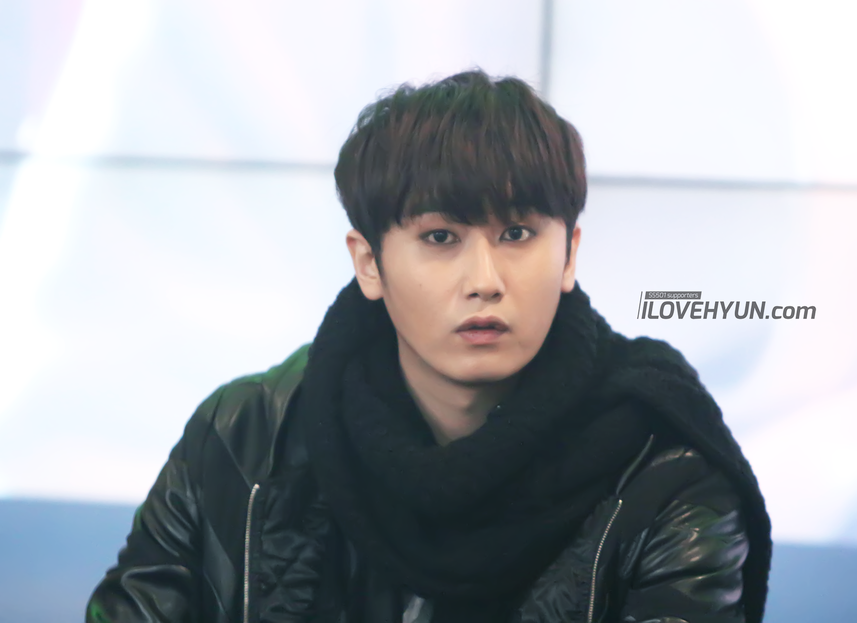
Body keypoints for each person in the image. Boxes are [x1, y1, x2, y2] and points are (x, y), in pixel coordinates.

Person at [86, 70, 771, 623]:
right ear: (369, 263)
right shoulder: (243, 436)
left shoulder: (666, 473)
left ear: (569, 255)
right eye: (441, 237)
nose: (485, 280)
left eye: (517, 234)